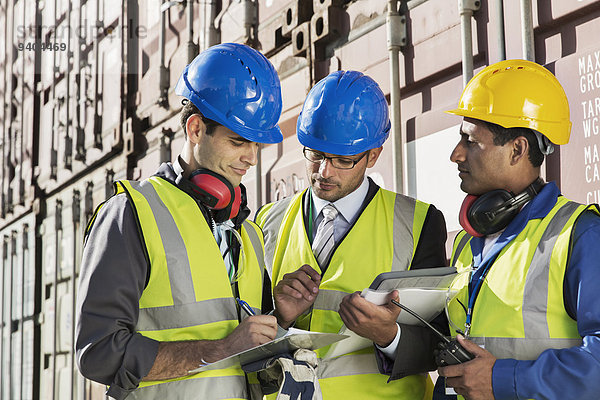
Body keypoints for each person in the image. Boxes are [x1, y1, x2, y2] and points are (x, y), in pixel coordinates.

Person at [75, 43, 303, 400]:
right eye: (239, 141)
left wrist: (281, 318)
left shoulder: (248, 233)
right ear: (196, 129)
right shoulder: (132, 214)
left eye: (257, 145)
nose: (252, 159)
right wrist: (218, 349)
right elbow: (99, 353)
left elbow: (249, 355)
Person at [384, 59, 600, 400]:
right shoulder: (467, 242)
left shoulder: (579, 236)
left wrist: (502, 379)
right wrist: (387, 331)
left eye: (470, 141)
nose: (456, 155)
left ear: (517, 149)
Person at [255, 70, 448, 400]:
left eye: (343, 160)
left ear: (373, 155)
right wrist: (279, 316)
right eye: (315, 154)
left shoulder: (419, 223)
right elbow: (244, 339)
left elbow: (439, 341)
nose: (324, 172)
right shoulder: (266, 222)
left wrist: (388, 335)